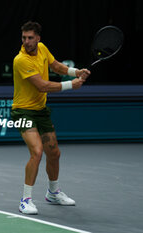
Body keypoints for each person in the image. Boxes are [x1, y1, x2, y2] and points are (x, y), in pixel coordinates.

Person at [11, 21, 90, 215]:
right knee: (37, 151)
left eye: (30, 38)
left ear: (38, 38)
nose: (26, 41)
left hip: (40, 110)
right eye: (24, 38)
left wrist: (75, 72)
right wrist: (71, 85)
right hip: (23, 111)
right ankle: (25, 199)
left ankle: (53, 192)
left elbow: (55, 66)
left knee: (54, 153)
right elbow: (42, 86)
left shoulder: (43, 49)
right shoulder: (20, 60)